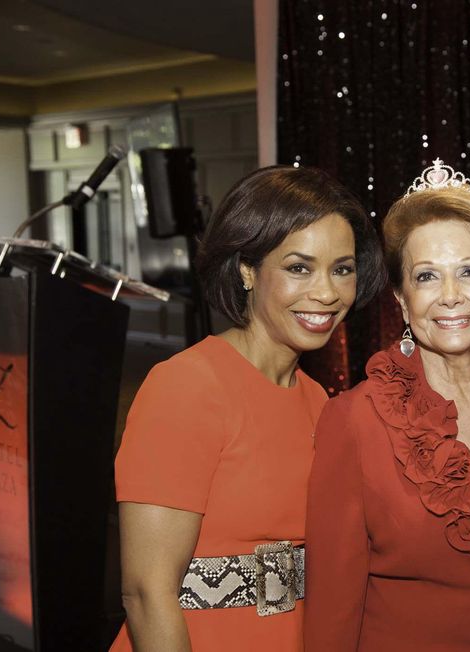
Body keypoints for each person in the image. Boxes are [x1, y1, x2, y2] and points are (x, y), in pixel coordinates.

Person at [110, 165, 384, 652]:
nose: (326, 292)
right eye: (299, 267)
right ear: (247, 269)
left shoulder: (319, 401)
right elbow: (147, 593)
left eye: (342, 268)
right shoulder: (188, 386)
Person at [304, 160, 470, 651]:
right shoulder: (355, 420)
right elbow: (332, 607)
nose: (451, 297)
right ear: (403, 302)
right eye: (427, 277)